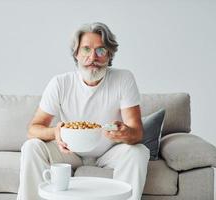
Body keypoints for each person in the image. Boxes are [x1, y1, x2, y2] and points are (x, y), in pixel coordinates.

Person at [17, 22, 150, 200]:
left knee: (139, 151)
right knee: (31, 146)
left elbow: (137, 133)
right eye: (86, 49)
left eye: (101, 50)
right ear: (76, 54)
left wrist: (125, 133)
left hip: (108, 152)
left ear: (109, 55)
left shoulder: (123, 79)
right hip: (69, 153)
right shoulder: (60, 83)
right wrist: (56, 132)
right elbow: (33, 129)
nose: (93, 57)